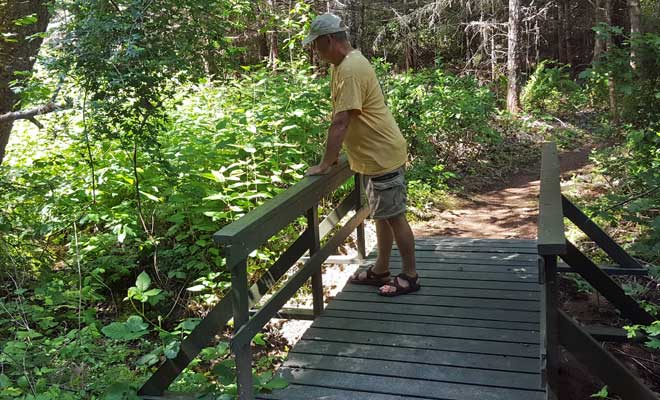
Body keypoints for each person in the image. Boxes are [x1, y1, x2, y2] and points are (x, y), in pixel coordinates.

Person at [303, 13, 419, 296]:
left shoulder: (350, 69)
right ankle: (381, 269)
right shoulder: (347, 63)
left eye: (316, 45)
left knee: (395, 216)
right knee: (383, 215)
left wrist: (325, 163)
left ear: (329, 40)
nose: (315, 52)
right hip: (374, 156)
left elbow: (341, 121)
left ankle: (411, 275)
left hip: (381, 156)